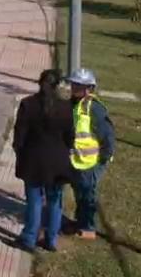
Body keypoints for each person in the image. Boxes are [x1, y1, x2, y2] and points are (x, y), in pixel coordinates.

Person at [13, 69, 73, 252]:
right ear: (57, 86)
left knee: (34, 200)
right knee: (55, 201)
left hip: (33, 161)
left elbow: (19, 137)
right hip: (58, 163)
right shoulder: (66, 108)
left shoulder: (28, 105)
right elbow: (70, 138)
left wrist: (19, 152)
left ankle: (29, 238)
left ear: (39, 83)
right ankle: (51, 240)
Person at [66, 69, 116, 240]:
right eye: (73, 84)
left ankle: (88, 227)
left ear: (88, 88)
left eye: (77, 85)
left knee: (88, 193)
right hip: (77, 160)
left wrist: (103, 158)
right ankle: (80, 221)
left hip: (92, 161)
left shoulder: (94, 109)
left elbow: (107, 135)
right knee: (79, 192)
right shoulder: (73, 104)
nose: (73, 87)